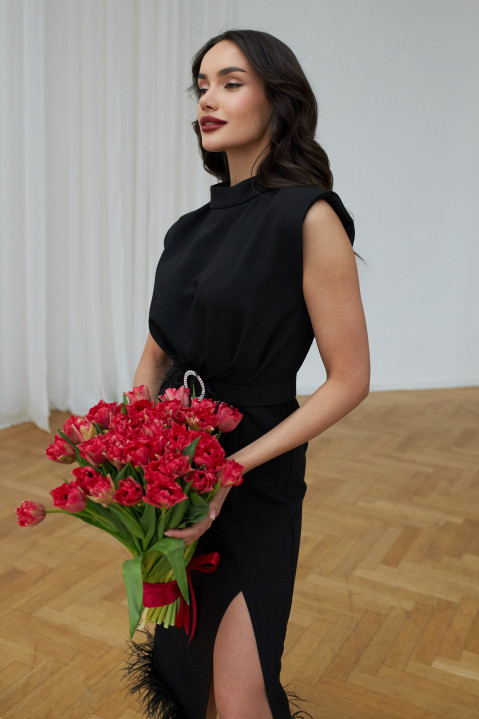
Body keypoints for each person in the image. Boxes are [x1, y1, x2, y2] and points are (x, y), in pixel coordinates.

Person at [129, 28, 370, 719]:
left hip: (253, 469)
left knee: (241, 695)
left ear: (278, 100)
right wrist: (135, 458)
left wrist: (229, 473)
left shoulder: (308, 215)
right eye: (201, 86)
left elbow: (349, 379)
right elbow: (156, 355)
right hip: (177, 466)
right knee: (189, 680)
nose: (207, 99)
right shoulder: (186, 230)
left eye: (230, 83)